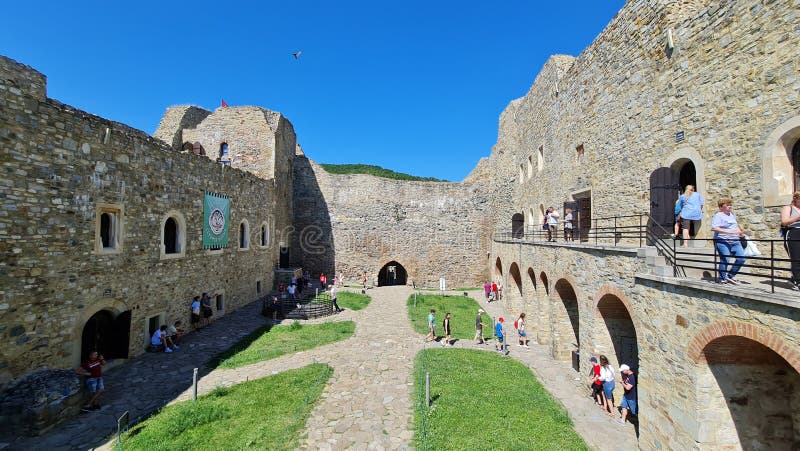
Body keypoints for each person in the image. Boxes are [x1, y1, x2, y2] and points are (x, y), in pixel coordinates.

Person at [710, 198, 746, 284]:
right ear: (721, 207)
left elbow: (735, 226)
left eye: (730, 204)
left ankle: (730, 276)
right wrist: (729, 232)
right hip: (722, 240)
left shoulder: (732, 214)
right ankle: (722, 278)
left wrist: (740, 233)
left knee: (741, 259)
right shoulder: (718, 215)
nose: (730, 206)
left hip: (735, 240)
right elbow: (714, 228)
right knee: (725, 259)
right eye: (728, 205)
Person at [780, 191, 800, 291]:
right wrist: (798, 217)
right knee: (796, 258)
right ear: (796, 198)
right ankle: (797, 281)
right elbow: (784, 222)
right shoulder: (788, 208)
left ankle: (793, 279)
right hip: (793, 233)